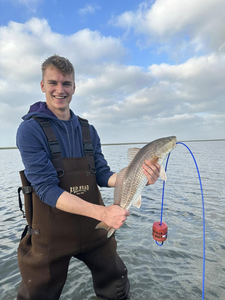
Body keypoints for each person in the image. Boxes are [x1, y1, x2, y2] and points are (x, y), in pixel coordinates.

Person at [16, 55, 160, 300]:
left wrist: (139, 177)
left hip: (94, 231)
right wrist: (104, 213)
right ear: (42, 86)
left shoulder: (88, 130)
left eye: (66, 84)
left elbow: (102, 174)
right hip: (51, 235)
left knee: (116, 285)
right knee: (37, 294)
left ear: (74, 86)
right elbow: (46, 189)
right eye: (53, 83)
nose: (60, 90)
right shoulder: (30, 130)